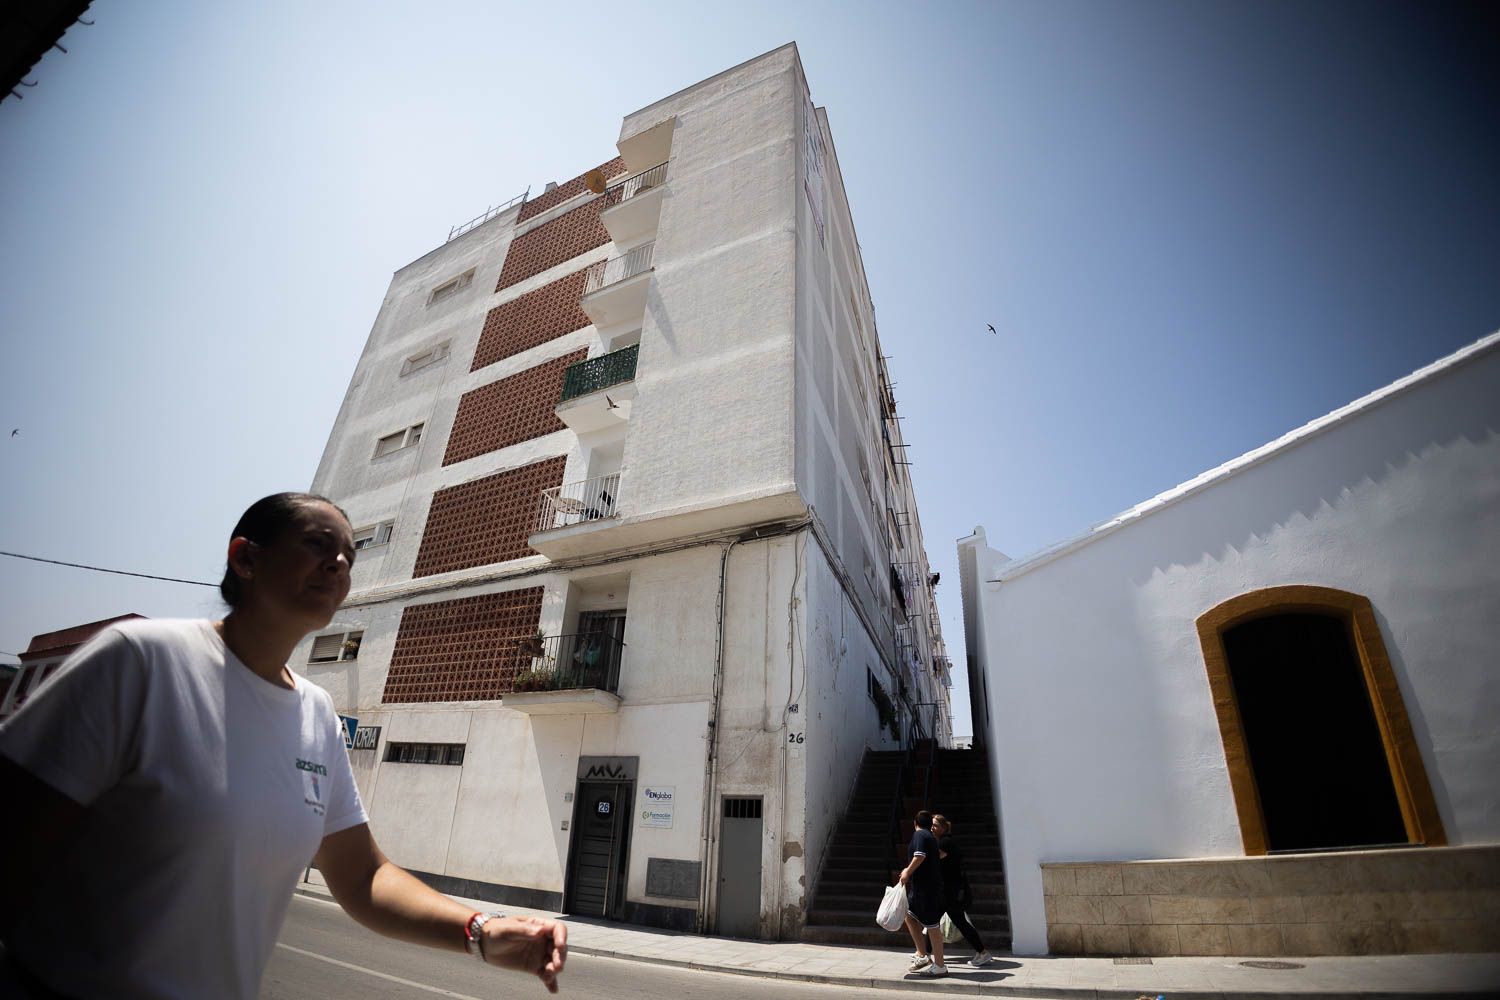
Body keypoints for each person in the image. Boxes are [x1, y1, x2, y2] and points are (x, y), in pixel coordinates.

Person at [0, 493, 567, 999]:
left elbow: (363, 877)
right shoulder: (142, 659)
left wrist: (481, 932)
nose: (339, 563)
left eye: (349, 555)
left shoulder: (316, 713)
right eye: (318, 544)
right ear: (245, 558)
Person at [931, 813, 993, 966]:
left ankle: (982, 952)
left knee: (935, 921)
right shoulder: (945, 841)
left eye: (935, 825)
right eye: (931, 825)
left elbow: (933, 860)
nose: (932, 828)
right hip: (949, 890)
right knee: (938, 921)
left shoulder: (945, 842)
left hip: (949, 891)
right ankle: (924, 952)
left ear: (943, 828)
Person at [896, 809, 947, 977]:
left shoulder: (920, 835)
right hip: (922, 889)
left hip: (926, 890)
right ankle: (922, 954)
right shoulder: (929, 837)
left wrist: (907, 872)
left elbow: (919, 855)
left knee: (932, 926)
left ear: (915, 823)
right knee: (909, 916)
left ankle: (940, 965)